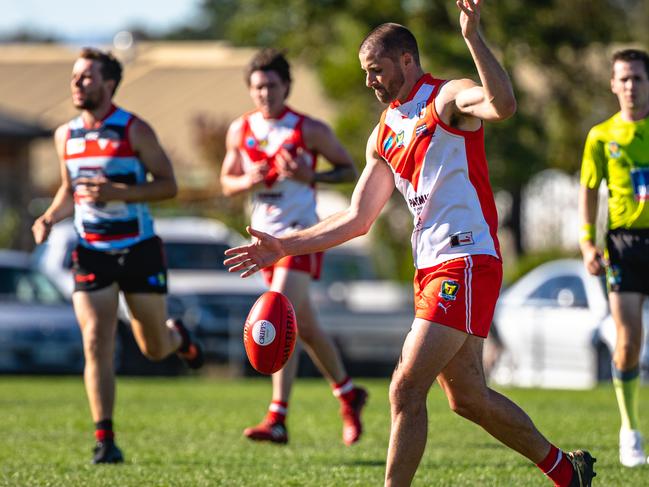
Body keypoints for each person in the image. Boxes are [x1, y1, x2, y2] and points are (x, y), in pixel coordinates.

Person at [225, 2, 596, 486]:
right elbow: (357, 219)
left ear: (405, 61)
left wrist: (473, 37)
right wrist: (283, 247)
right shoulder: (382, 134)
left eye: (375, 70)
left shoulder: (446, 97)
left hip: (465, 259)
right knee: (468, 399)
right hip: (431, 268)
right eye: (364, 73)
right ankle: (567, 472)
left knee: (404, 388)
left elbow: (503, 105)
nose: (369, 82)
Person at [32, 47, 204, 464]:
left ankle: (177, 337)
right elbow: (68, 189)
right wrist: (49, 217)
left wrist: (120, 193)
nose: (77, 83)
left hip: (138, 250)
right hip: (90, 251)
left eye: (86, 77)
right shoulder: (65, 135)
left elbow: (168, 185)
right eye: (75, 76)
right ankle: (105, 439)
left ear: (109, 84)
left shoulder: (134, 130)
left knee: (153, 347)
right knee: (96, 341)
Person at [219, 48, 368, 446]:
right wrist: (247, 179)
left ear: (286, 86)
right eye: (257, 87)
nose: (264, 93)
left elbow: (350, 170)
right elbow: (225, 182)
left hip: (300, 236)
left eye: (271, 86)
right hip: (262, 240)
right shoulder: (241, 130)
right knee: (306, 329)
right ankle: (349, 393)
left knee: (276, 310)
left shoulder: (309, 128)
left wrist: (310, 174)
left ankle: (278, 416)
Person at [579, 48, 649, 468]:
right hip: (623, 244)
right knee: (629, 342)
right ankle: (630, 430)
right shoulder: (601, 136)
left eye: (638, 78)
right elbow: (588, 191)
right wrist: (588, 243)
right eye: (623, 78)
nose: (630, 86)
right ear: (612, 84)